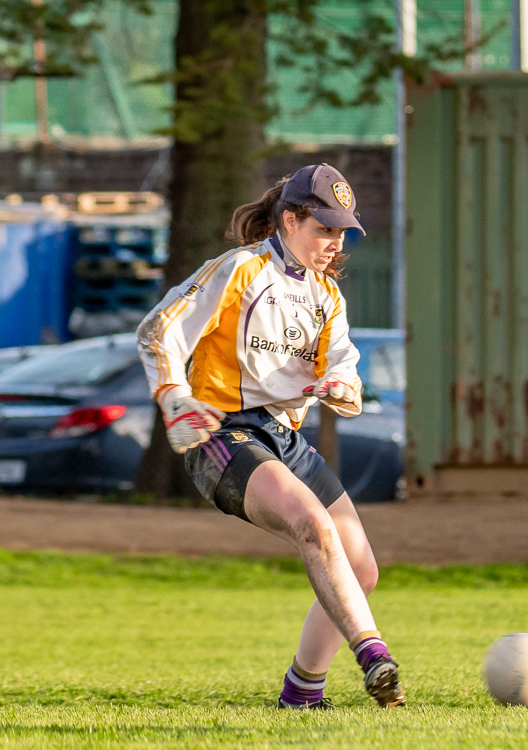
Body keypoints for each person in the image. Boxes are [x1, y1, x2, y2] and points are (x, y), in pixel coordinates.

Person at [135, 164, 404, 709]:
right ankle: (374, 656)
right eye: (323, 228)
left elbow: (349, 378)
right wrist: (172, 394)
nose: (333, 242)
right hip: (224, 434)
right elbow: (157, 330)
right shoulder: (239, 269)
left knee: (361, 567)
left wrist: (338, 387)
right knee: (313, 524)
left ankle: (302, 692)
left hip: (285, 439)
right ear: (288, 219)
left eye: (341, 232)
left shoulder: (328, 297)